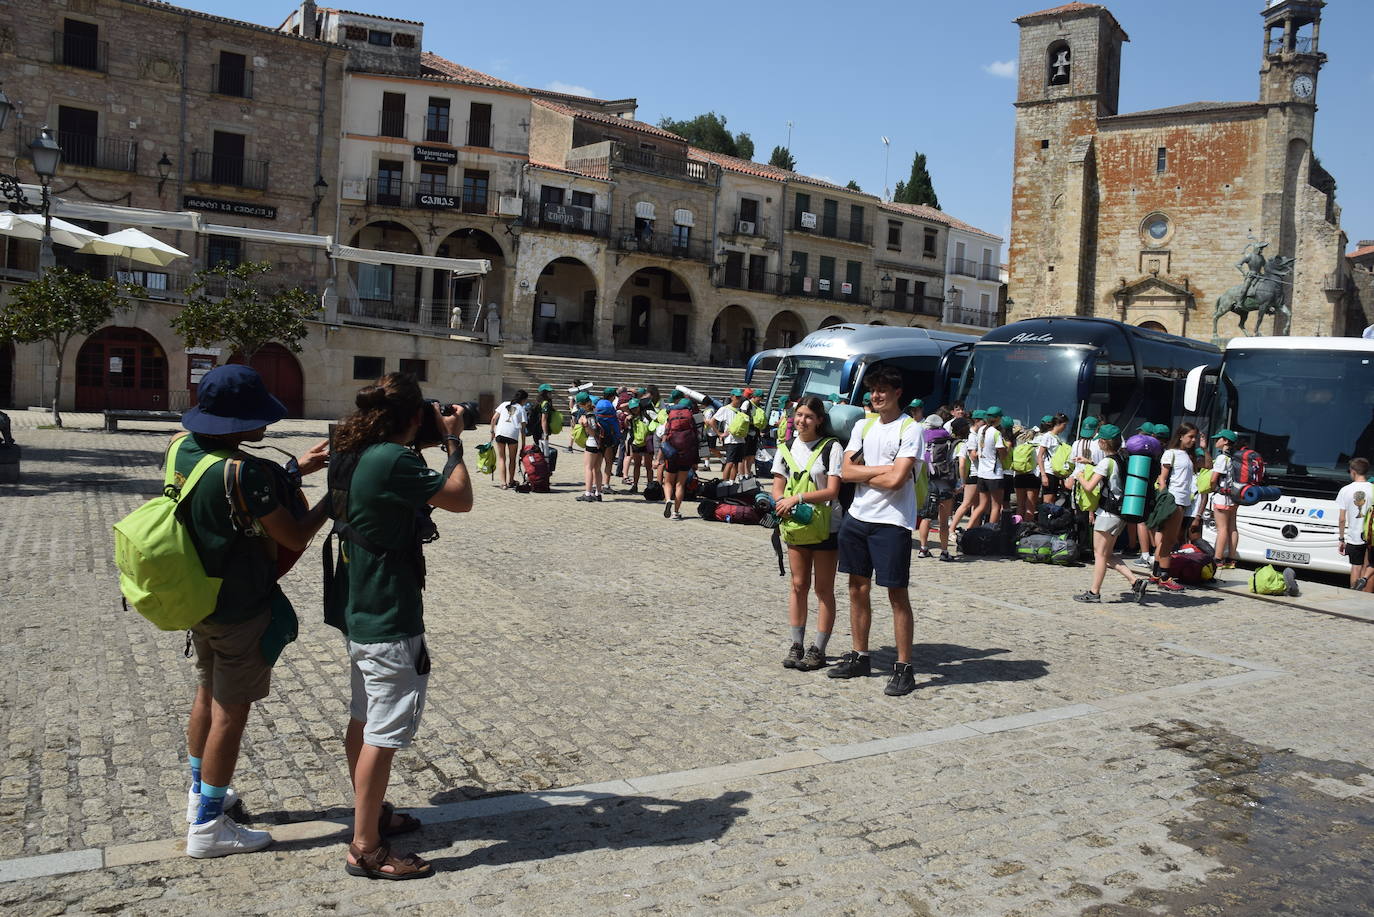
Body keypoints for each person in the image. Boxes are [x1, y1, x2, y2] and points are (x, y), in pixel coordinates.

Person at [177, 366, 330, 858]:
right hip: (240, 608)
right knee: (230, 712)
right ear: (242, 422)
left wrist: (292, 472)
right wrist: (334, 497)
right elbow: (295, 533)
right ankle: (208, 827)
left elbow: (227, 497)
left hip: (199, 597)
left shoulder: (183, 451)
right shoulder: (243, 472)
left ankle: (200, 793)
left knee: (206, 691)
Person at [325, 372, 473, 880]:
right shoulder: (392, 458)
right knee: (383, 734)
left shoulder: (357, 449)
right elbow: (459, 497)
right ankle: (366, 847)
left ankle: (372, 813)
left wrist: (424, 434)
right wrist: (453, 439)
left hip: (361, 605)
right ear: (412, 417)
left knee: (364, 719)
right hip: (388, 613)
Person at [830, 365, 923, 697]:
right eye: (873, 390)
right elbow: (844, 471)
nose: (876, 395)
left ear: (898, 393)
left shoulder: (910, 429)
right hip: (858, 517)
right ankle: (860, 655)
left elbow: (897, 481)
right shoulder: (862, 426)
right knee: (857, 588)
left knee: (897, 595)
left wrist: (865, 473)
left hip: (893, 522)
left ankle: (903, 667)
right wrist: (885, 468)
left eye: (883, 389)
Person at [772, 396, 844, 671]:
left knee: (823, 588)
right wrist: (781, 502)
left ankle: (819, 648)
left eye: (808, 416)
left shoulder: (831, 447)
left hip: (827, 525)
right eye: (799, 415)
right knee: (798, 585)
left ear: (819, 420)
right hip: (795, 523)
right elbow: (778, 485)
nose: (802, 421)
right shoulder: (785, 447)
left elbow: (832, 490)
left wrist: (797, 498)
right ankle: (797, 644)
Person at [1073, 425, 1148, 604]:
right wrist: (1089, 463)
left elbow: (1090, 486)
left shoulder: (1107, 462)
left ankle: (1094, 592)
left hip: (1107, 513)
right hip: (1120, 512)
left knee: (1099, 555)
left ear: (1103, 442)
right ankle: (1135, 581)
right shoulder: (1123, 458)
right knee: (1106, 554)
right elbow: (1111, 473)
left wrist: (1079, 475)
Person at [1151, 422, 1198, 592]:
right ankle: (1164, 577)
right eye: (1190, 436)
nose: (1193, 440)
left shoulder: (1187, 455)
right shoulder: (1170, 454)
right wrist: (1165, 499)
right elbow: (1162, 479)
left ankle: (1157, 573)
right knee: (1169, 540)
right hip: (1173, 501)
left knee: (1166, 539)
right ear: (1181, 436)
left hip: (1183, 501)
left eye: (1195, 437)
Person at [917, 417, 964, 562]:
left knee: (926, 517)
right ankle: (944, 552)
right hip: (944, 482)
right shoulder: (948, 440)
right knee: (943, 520)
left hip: (927, 482)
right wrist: (959, 483)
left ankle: (923, 549)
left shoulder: (922, 438)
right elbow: (956, 463)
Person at [1336, 457, 1373, 589]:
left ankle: (1353, 594)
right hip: (1371, 536)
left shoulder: (1345, 490)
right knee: (1369, 566)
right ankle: (1366, 596)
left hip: (1354, 536)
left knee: (1355, 567)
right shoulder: (1373, 489)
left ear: (1353, 472)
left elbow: (1342, 519)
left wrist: (1341, 538)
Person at [661, 397, 699, 520]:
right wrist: (696, 460)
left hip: (672, 453)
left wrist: (659, 457)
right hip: (687, 455)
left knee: (668, 481)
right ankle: (676, 512)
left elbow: (665, 437)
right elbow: (697, 440)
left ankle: (667, 500)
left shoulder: (671, 417)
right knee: (680, 484)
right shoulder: (692, 418)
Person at [1207, 430, 1239, 569]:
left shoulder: (1221, 458)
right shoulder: (1234, 457)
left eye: (1218, 439)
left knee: (1222, 529)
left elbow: (1214, 479)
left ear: (1225, 441)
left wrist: (1212, 488)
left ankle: (1218, 559)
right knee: (1233, 528)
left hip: (1222, 498)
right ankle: (1231, 560)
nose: (1216, 442)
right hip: (1234, 498)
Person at [975, 406, 1008, 527]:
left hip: (982, 473)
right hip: (994, 474)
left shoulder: (981, 429)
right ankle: (989, 532)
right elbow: (1003, 455)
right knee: (996, 506)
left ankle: (969, 528)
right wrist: (1006, 449)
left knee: (982, 505)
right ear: (998, 418)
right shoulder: (996, 433)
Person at [489, 390, 526, 489]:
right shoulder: (522, 409)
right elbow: (523, 429)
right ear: (523, 400)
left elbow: (493, 419)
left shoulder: (504, 404)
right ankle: (511, 481)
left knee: (502, 458)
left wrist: (492, 432)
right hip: (512, 434)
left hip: (500, 433)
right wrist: (523, 445)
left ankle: (503, 483)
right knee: (512, 459)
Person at [711, 389, 747, 483]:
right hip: (731, 440)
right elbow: (712, 421)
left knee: (736, 463)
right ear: (732, 397)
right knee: (730, 462)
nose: (738, 399)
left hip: (741, 440)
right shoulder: (725, 409)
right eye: (737, 397)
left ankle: (731, 482)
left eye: (740, 397)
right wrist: (719, 433)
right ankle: (724, 482)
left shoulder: (740, 410)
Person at [574, 392, 604, 502]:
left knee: (588, 468)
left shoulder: (588, 415)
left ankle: (588, 493)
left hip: (592, 442)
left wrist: (585, 424)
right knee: (597, 469)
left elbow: (591, 432)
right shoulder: (596, 411)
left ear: (581, 404)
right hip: (600, 443)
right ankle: (598, 493)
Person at [1036, 413, 1069, 503]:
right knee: (1048, 501)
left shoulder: (1057, 438)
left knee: (1052, 501)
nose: (1065, 428)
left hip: (1055, 473)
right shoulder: (1047, 436)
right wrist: (1043, 475)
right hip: (1048, 472)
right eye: (1064, 425)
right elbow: (1040, 456)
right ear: (1058, 424)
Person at [624, 399, 652, 493]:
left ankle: (650, 485)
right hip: (636, 443)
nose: (635, 409)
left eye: (636, 407)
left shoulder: (647, 413)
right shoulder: (631, 417)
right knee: (637, 465)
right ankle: (635, 485)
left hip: (647, 443)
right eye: (632, 408)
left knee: (648, 466)